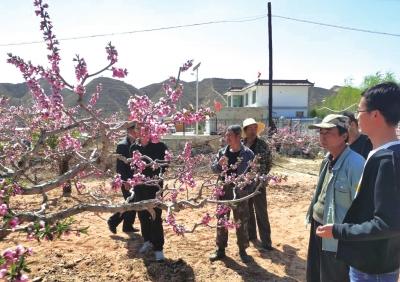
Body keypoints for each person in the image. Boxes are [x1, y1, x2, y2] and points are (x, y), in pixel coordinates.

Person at [316, 82, 400, 282]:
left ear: (375, 115)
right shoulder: (382, 154)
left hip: (374, 268)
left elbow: (387, 223)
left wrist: (338, 230)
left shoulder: (389, 160)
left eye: (360, 110)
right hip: (371, 261)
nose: (356, 115)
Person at [306, 114, 365, 282]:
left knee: (333, 275)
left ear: (344, 135)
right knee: (316, 273)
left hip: (337, 234)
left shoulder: (355, 164)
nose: (322, 137)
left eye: (328, 132)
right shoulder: (327, 160)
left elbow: (360, 207)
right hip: (318, 224)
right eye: (321, 132)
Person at [209, 125, 255, 263]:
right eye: (226, 135)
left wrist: (247, 189)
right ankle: (220, 249)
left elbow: (253, 174)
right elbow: (213, 169)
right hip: (224, 190)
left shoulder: (248, 154)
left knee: (241, 221)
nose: (226, 137)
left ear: (238, 136)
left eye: (229, 135)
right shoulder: (222, 152)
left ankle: (243, 250)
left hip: (240, 192)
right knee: (221, 220)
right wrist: (218, 164)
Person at [131, 125, 168, 262]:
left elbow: (166, 164)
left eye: (147, 129)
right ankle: (147, 240)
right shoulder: (133, 148)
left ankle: (158, 248)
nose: (144, 132)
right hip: (139, 187)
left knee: (156, 216)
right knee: (142, 215)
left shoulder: (160, 145)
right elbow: (132, 167)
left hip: (154, 187)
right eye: (140, 129)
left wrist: (155, 169)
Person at [242, 118, 273, 250]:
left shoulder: (262, 145)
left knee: (261, 212)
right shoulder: (241, 144)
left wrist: (261, 177)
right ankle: (251, 235)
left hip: (258, 183)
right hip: (244, 183)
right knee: (247, 210)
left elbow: (268, 163)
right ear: (245, 130)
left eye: (255, 128)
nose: (253, 130)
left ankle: (266, 242)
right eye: (250, 128)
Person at [107, 124, 139, 234]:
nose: (137, 132)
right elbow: (120, 167)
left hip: (136, 179)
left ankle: (128, 226)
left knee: (133, 202)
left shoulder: (137, 143)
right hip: (126, 180)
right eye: (135, 130)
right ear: (129, 130)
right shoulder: (122, 145)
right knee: (130, 202)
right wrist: (125, 181)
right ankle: (113, 221)